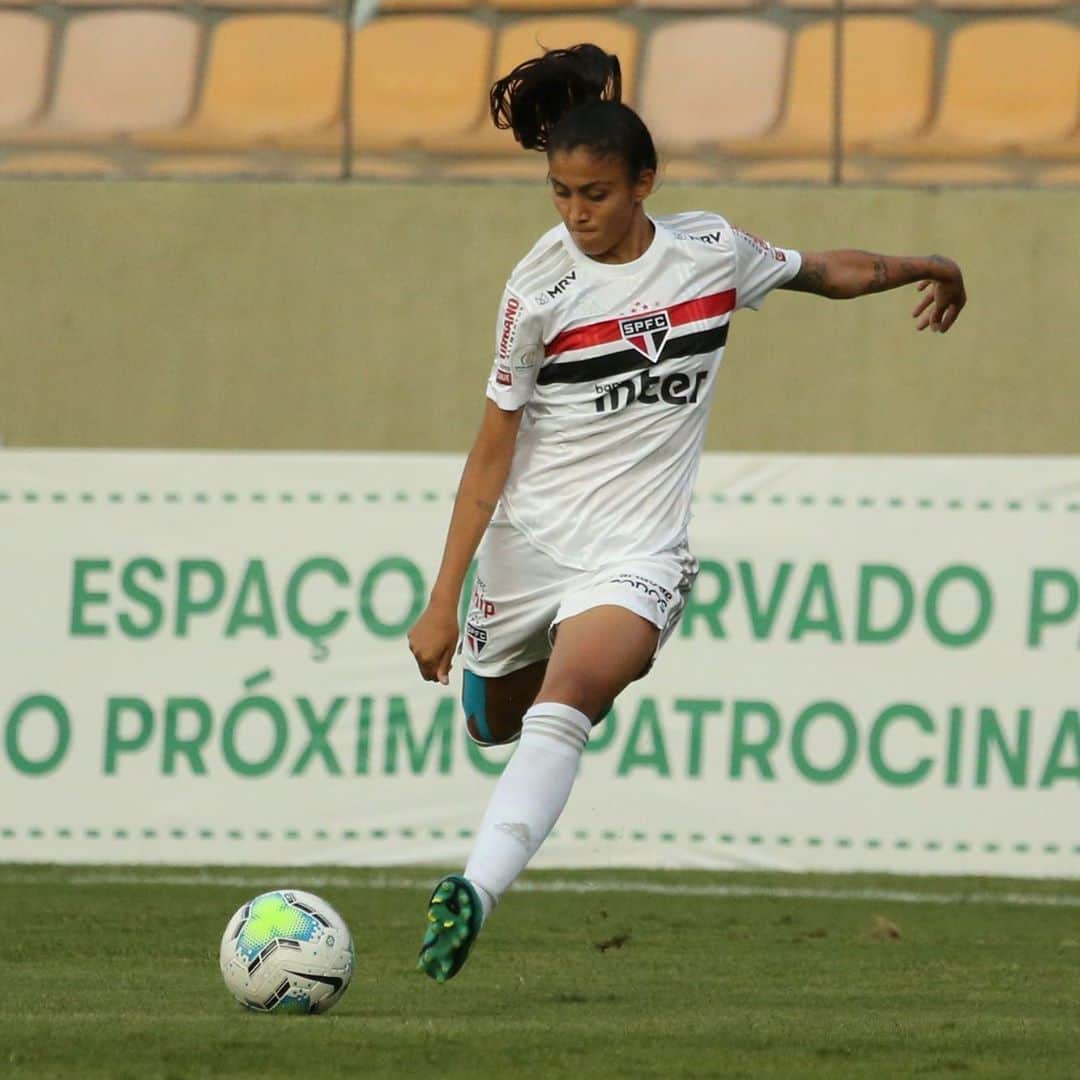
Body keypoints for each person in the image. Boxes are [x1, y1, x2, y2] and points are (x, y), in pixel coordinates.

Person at [407, 43, 966, 983]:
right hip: (531, 546)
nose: (578, 214)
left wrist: (929, 260)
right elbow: (490, 451)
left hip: (639, 552)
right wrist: (441, 596)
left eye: (595, 193)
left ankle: (472, 889)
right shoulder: (537, 291)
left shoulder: (708, 252)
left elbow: (821, 271)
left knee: (570, 699)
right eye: (561, 194)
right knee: (494, 721)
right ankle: (503, 672)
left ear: (643, 183)